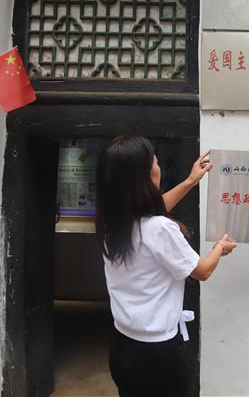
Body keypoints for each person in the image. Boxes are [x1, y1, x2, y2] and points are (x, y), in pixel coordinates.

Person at [95, 135, 236, 397]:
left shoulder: (112, 222)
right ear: (146, 175)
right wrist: (220, 247)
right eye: (155, 161)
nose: (158, 165)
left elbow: (153, 212)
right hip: (158, 354)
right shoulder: (160, 229)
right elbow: (202, 271)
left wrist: (191, 180)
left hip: (123, 344)